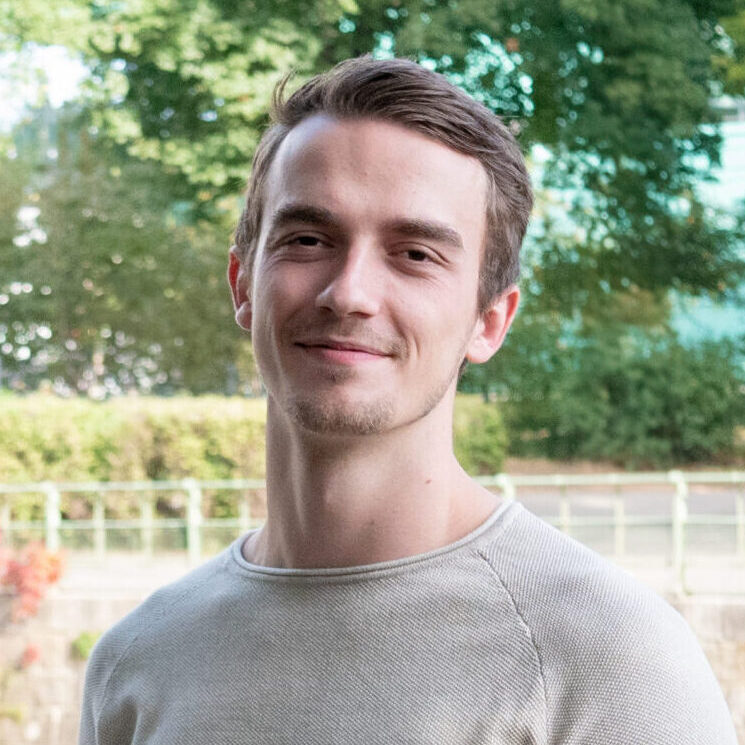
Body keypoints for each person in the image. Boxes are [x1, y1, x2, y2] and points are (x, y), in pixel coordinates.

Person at [78, 56, 737, 744]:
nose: (349, 293)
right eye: (308, 239)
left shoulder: (611, 662)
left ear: (490, 321)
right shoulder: (136, 663)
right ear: (243, 283)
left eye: (416, 254)